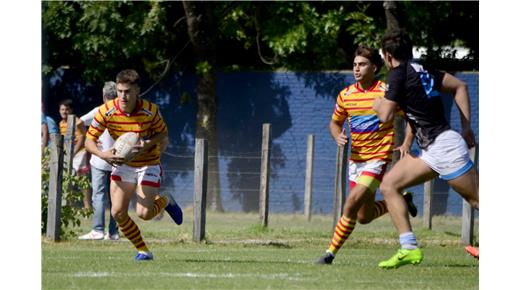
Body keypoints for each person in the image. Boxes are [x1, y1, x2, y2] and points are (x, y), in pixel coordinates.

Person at [373, 29, 479, 269]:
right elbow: (459, 86)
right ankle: (408, 248)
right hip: (432, 149)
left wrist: (377, 103)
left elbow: (386, 116)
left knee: (478, 200)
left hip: (444, 147)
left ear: (388, 56)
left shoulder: (397, 75)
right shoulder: (421, 69)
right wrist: (466, 128)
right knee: (389, 185)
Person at [317, 45, 417, 265]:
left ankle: (329, 254)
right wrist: (337, 136)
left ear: (374, 67)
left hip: (377, 160)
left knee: (350, 204)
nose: (357, 68)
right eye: (354, 64)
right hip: (356, 161)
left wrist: (407, 142)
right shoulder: (346, 95)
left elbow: (411, 118)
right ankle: (402, 199)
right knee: (363, 216)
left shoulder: (386, 92)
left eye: (362, 64)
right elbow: (334, 123)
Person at [84, 69, 183, 261]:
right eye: (120, 91)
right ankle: (144, 251)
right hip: (122, 164)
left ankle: (166, 200)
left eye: (127, 91)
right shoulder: (106, 111)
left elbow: (163, 134)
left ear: (137, 90)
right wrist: (103, 154)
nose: (123, 96)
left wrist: (147, 144)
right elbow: (89, 140)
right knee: (118, 212)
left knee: (144, 213)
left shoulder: (150, 111)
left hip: (148, 163)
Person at [78, 81, 120, 240]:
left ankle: (97, 230)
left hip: (99, 161)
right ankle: (114, 233)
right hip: (117, 161)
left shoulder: (99, 110)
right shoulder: (123, 112)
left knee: (99, 196)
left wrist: (91, 139)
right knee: (116, 197)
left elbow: (79, 122)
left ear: (104, 96)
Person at [58, 98, 91, 209]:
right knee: (68, 179)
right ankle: (70, 206)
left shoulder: (78, 122)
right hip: (68, 153)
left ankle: (87, 206)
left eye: (66, 109)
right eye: (62, 109)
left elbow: (82, 137)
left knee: (81, 179)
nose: (64, 112)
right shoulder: (61, 123)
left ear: (71, 110)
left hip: (80, 152)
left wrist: (74, 152)